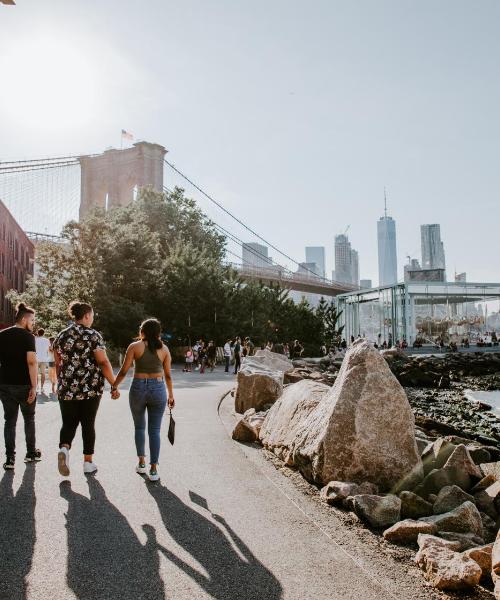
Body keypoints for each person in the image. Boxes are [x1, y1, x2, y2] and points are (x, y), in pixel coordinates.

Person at [53, 301, 116, 477]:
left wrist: (62, 381)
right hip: (90, 388)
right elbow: (103, 362)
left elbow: (58, 362)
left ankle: (64, 449)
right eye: (92, 316)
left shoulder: (62, 335)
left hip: (67, 388)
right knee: (88, 424)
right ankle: (88, 462)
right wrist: (114, 383)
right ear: (87, 315)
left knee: (68, 422)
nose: (92, 319)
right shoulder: (93, 335)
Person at [113, 318, 174, 481]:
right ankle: (154, 469)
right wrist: (171, 395)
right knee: (154, 430)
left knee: (139, 427)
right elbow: (168, 375)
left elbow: (124, 371)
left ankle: (141, 463)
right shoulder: (165, 349)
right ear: (158, 333)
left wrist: (114, 386)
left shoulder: (134, 347)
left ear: (143, 331)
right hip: (159, 388)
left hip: (138, 387)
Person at [0, 302, 41, 470]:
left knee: (9, 420)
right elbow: (31, 362)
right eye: (32, 320)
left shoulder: (1, 335)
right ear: (24, 319)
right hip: (24, 384)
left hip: (4, 384)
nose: (32, 324)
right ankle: (31, 453)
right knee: (29, 419)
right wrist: (34, 386)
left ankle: (10, 458)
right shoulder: (27, 337)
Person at [35, 328, 51, 394]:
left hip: (36, 358)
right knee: (43, 373)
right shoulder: (47, 340)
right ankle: (42, 387)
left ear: (38, 333)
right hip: (44, 358)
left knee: (35, 373)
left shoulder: (35, 340)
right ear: (43, 333)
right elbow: (49, 349)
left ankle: (36, 386)